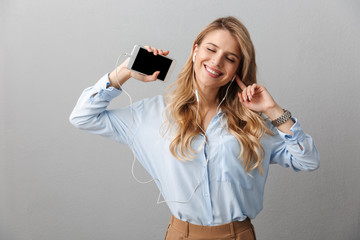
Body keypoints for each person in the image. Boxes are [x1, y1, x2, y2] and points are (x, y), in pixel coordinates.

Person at [69, 16, 319, 240]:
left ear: (236, 71)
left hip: (238, 235)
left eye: (230, 58)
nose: (217, 61)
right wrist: (125, 70)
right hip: (182, 234)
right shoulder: (151, 114)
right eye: (211, 49)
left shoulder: (252, 122)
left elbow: (307, 160)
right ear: (195, 51)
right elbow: (82, 116)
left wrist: (272, 110)